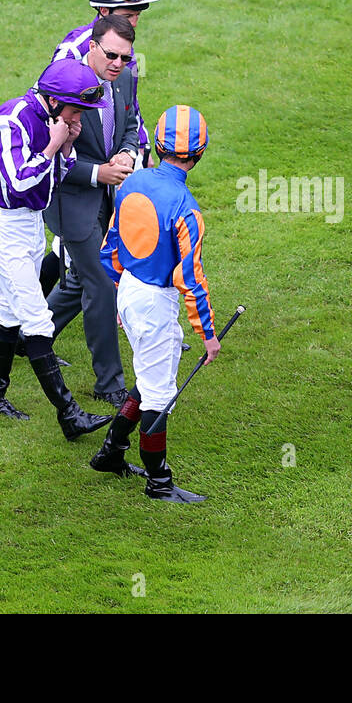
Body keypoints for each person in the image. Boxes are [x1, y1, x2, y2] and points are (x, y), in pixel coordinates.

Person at [0, 57, 113, 440]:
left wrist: (67, 146)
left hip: (29, 223)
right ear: (54, 101)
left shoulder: (55, 119)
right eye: (76, 110)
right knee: (37, 320)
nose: (80, 117)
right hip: (6, 226)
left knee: (8, 309)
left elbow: (52, 178)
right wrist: (55, 145)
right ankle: (69, 414)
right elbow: (20, 182)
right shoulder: (10, 121)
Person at [90, 105, 219, 503]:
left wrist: (116, 295)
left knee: (149, 379)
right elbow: (190, 279)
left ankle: (111, 453)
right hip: (154, 302)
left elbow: (110, 245)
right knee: (159, 394)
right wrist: (208, 335)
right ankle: (158, 483)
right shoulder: (187, 208)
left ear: (158, 145)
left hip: (128, 290)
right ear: (198, 155)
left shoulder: (132, 182)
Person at [42, 14, 141, 409]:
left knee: (80, 281)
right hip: (70, 201)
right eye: (112, 55)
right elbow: (47, 157)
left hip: (105, 196)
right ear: (92, 48)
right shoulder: (65, 86)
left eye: (126, 57)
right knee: (100, 283)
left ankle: (28, 337)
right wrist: (99, 172)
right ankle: (109, 384)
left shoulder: (126, 79)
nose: (119, 64)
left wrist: (127, 153)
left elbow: (131, 123)